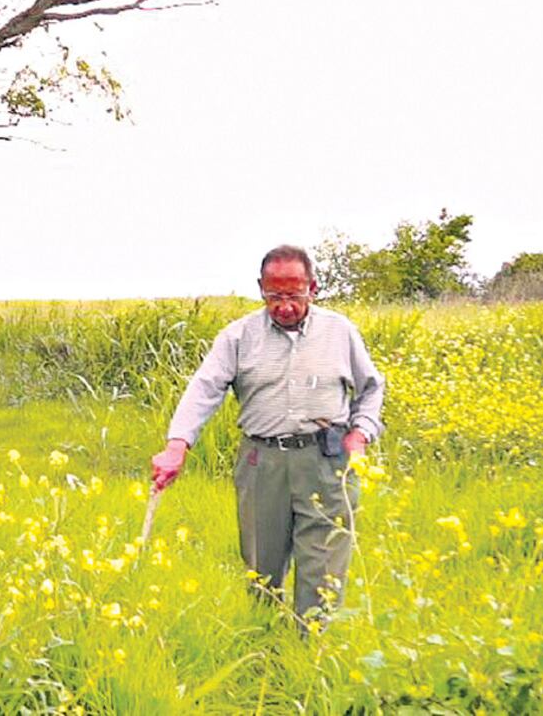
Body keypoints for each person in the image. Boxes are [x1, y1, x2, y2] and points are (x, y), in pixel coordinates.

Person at [150, 245, 384, 626]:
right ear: (261, 288)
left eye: (294, 294)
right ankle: (262, 642)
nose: (285, 305)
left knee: (322, 567)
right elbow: (205, 388)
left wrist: (361, 433)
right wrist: (177, 445)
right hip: (262, 463)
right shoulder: (239, 336)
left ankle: (311, 652)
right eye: (274, 295)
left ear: (314, 287)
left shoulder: (340, 332)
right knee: (262, 565)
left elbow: (372, 388)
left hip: (326, 463)